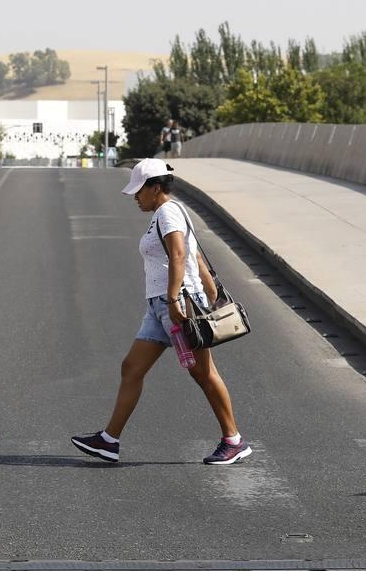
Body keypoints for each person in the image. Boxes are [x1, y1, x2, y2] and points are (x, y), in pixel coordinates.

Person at [71, 159, 253, 465]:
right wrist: (209, 291)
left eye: (139, 191)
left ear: (156, 188)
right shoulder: (166, 213)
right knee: (131, 368)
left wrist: (174, 300)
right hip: (160, 307)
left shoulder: (168, 212)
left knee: (204, 374)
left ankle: (233, 440)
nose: (135, 198)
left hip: (175, 305)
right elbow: (193, 252)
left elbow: (181, 254)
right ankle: (109, 440)